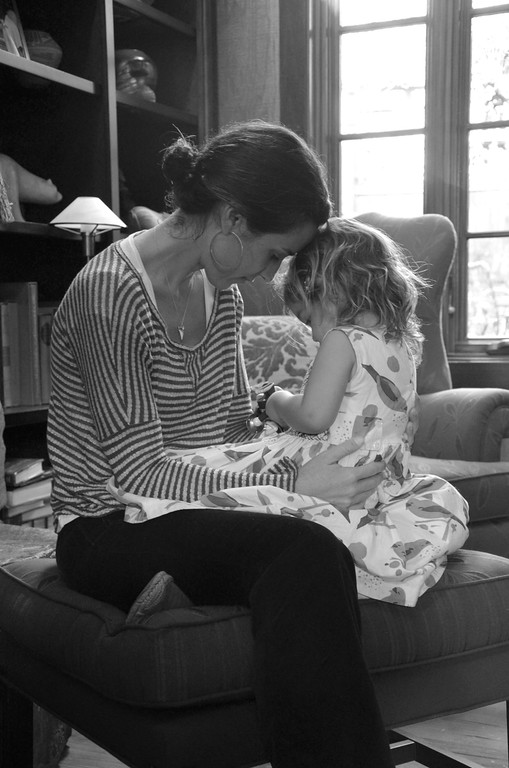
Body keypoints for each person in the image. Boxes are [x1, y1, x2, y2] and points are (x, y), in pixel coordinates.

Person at [49, 120, 394, 768]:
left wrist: (306, 455)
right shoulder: (109, 294)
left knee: (373, 514)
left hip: (197, 508)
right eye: (274, 254)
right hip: (108, 523)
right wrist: (291, 485)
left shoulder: (221, 296)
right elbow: (139, 473)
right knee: (303, 553)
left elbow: (235, 429)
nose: (272, 272)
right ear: (232, 219)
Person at [110, 217, 469, 607]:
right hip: (379, 481)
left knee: (228, 481)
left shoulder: (342, 339)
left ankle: (161, 532)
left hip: (331, 466)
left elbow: (313, 417)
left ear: (329, 290)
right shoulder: (400, 345)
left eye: (309, 319)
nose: (313, 334)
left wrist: (276, 402)